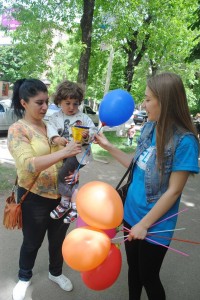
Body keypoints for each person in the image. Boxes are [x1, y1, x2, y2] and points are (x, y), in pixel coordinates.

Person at [94, 72, 199, 300]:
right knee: (134, 271)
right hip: (131, 214)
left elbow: (174, 191)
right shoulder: (151, 128)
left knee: (148, 277)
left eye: (148, 99)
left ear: (166, 101)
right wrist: (108, 146)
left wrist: (144, 225)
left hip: (154, 225)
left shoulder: (185, 141)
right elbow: (137, 165)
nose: (144, 104)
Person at [7, 79, 82, 300]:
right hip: (34, 198)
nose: (44, 107)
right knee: (32, 241)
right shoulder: (18, 129)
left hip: (61, 196)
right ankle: (24, 277)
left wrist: (75, 165)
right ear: (23, 102)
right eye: (39, 102)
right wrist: (63, 152)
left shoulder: (53, 124)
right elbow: (28, 164)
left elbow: (72, 155)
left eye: (47, 102)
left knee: (58, 240)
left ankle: (55, 273)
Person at [46, 80, 96, 224]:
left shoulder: (83, 117)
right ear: (59, 101)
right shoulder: (55, 117)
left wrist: (88, 135)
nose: (72, 107)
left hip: (79, 154)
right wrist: (56, 138)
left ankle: (64, 203)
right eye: (67, 103)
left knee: (64, 175)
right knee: (71, 178)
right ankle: (75, 208)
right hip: (63, 154)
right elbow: (51, 129)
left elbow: (93, 130)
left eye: (75, 103)